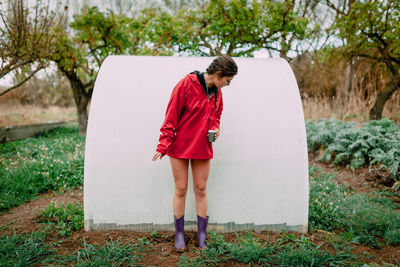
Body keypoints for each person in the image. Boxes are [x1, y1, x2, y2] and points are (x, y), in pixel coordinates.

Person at [152, 55, 238, 252]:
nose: (227, 85)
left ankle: (201, 237)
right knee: (181, 188)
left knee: (200, 189)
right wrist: (163, 144)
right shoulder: (185, 84)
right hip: (180, 146)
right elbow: (170, 117)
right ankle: (180, 236)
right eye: (228, 80)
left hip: (202, 146)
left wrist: (215, 128)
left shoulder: (217, 93)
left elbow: (216, 116)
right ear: (219, 74)